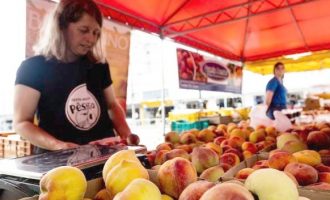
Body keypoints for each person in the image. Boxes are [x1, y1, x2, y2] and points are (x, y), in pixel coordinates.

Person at [13, 0, 131, 154]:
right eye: (84, 30)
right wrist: (58, 145)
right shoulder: (33, 67)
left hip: (104, 156)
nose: (91, 39)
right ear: (61, 26)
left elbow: (112, 106)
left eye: (96, 33)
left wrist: (127, 135)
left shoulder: (99, 65)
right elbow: (22, 122)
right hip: (58, 161)